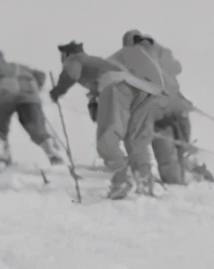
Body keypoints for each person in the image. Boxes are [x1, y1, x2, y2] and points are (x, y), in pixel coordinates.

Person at [49, 40, 167, 199]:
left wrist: (58, 90)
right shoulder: (98, 62)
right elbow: (96, 86)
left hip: (116, 87)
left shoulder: (75, 59)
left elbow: (72, 73)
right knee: (137, 138)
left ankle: (121, 180)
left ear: (66, 54)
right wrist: (94, 102)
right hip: (143, 89)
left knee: (107, 137)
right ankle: (145, 180)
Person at [118, 30, 212, 184]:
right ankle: (195, 173)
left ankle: (176, 184)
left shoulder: (132, 63)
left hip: (158, 113)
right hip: (179, 107)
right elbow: (177, 68)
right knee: (182, 148)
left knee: (167, 156)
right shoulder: (159, 53)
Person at [0, 49, 64, 167]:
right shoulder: (18, 66)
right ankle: (52, 153)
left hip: (6, 96)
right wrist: (35, 89)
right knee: (35, 127)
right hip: (30, 96)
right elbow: (41, 75)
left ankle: (2, 157)